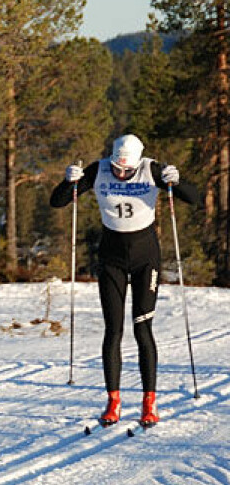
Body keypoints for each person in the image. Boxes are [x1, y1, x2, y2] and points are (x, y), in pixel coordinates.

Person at [50, 134, 201, 427]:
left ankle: (149, 402)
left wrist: (176, 180)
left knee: (143, 330)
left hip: (146, 259)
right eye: (118, 169)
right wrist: (69, 182)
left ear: (137, 162)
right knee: (113, 331)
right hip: (111, 259)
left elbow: (192, 198)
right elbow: (57, 202)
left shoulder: (151, 169)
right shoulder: (98, 170)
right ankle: (113, 401)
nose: (121, 174)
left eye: (126, 171)